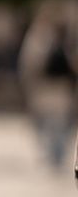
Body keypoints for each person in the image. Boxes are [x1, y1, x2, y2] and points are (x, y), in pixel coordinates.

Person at [19, 11, 77, 170]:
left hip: (45, 88)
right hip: (60, 89)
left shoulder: (38, 40)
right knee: (58, 123)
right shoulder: (64, 41)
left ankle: (54, 155)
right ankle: (57, 155)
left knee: (48, 122)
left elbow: (29, 66)